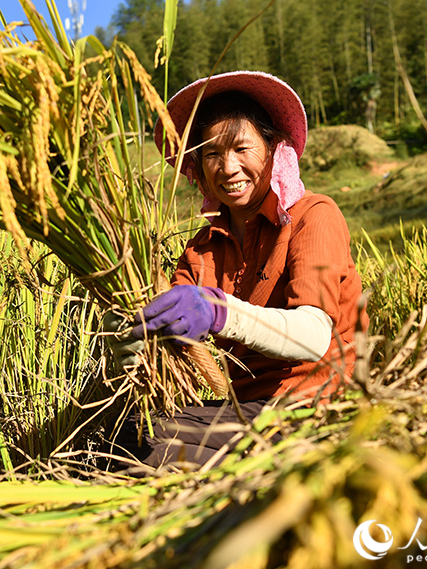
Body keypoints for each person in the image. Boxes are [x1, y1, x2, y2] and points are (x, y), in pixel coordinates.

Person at [106, 71, 367, 471]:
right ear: (197, 165)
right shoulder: (202, 249)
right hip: (247, 412)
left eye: (242, 148)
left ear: (274, 149)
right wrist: (131, 340)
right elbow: (171, 338)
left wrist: (219, 311)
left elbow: (314, 336)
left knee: (151, 448)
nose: (228, 168)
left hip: (319, 406)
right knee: (130, 433)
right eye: (211, 153)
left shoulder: (313, 216)